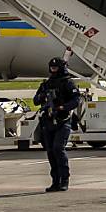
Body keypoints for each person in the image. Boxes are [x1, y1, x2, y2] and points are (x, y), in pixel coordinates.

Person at [34, 57, 81, 192]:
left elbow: (76, 100)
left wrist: (63, 107)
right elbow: (36, 100)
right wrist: (42, 97)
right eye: (51, 68)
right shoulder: (46, 84)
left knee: (58, 149)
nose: (53, 70)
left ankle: (64, 180)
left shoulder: (67, 83)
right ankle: (55, 181)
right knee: (50, 152)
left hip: (63, 120)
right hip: (48, 122)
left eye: (55, 68)